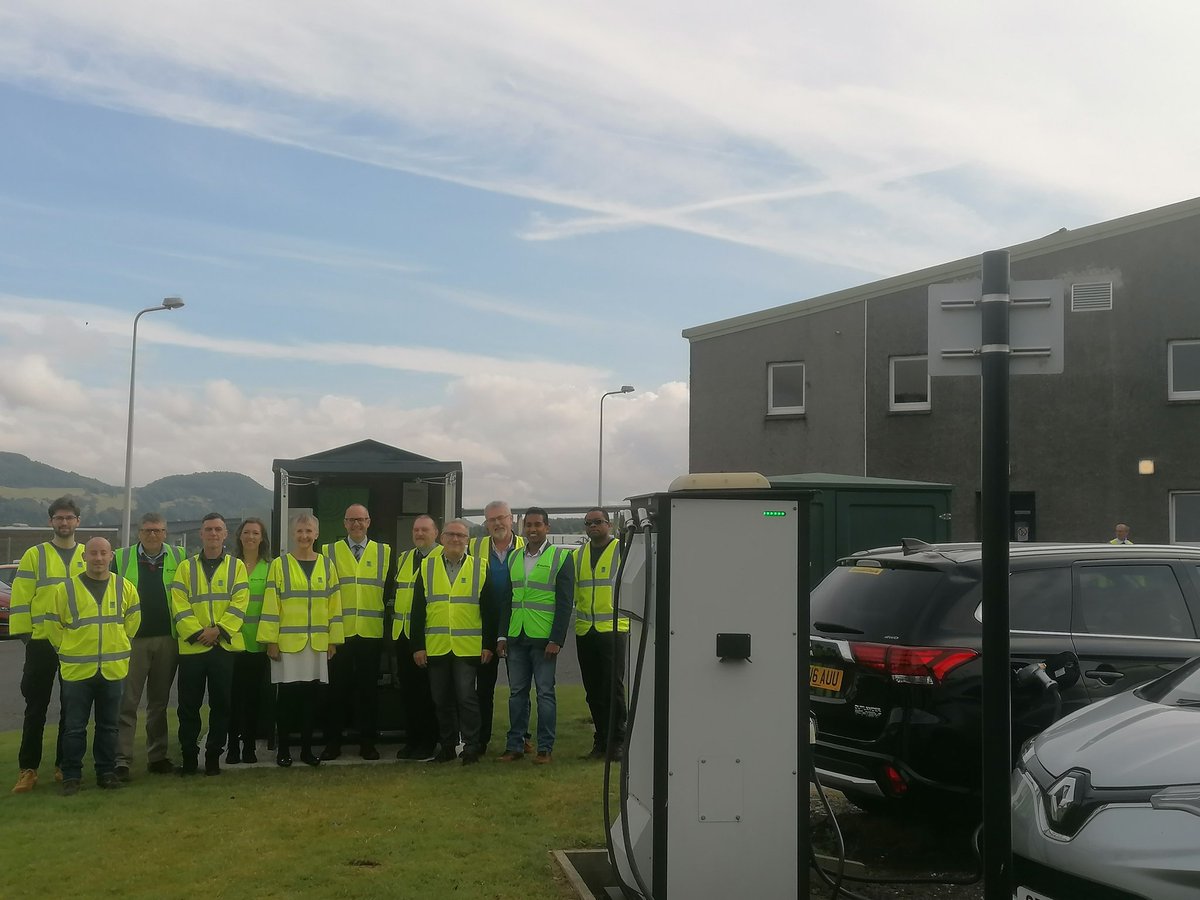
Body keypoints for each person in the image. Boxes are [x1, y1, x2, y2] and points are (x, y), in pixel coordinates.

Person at [45, 537, 141, 795]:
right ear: (84, 557)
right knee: (74, 727)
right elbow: (53, 625)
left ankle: (106, 773)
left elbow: (132, 623)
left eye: (103, 553)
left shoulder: (125, 587)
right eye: (93, 553)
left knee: (109, 726)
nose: (98, 558)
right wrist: (65, 650)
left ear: (111, 557)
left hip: (113, 670)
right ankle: (71, 776)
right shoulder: (65, 590)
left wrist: (117, 644)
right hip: (77, 671)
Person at [10, 496, 86, 794]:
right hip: (41, 644)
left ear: (78, 521)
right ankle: (28, 769)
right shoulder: (34, 555)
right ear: (51, 521)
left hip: (75, 643)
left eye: (69, 518)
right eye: (59, 518)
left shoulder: (87, 554)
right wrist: (27, 636)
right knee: (36, 708)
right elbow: (20, 598)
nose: (64, 523)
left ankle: (63, 766)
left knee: (72, 708)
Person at [411, 518, 499, 765]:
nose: (456, 540)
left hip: (467, 647)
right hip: (436, 645)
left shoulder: (480, 567)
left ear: (467, 540)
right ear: (442, 539)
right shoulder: (427, 567)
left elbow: (489, 611)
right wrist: (417, 645)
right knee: (441, 700)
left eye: (461, 536)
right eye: (451, 535)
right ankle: (448, 746)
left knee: (466, 698)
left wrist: (487, 644)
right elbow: (417, 610)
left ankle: (471, 746)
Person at [258, 514, 343, 767]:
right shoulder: (279, 565)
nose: (304, 536)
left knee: (310, 700)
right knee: (286, 699)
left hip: (317, 644)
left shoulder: (327, 565)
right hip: (287, 645)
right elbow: (271, 605)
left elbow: (334, 606)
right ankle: (283, 750)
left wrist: (333, 641)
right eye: (299, 532)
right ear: (292, 535)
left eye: (308, 531)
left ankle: (306, 751)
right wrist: (270, 641)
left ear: (316, 534)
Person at [170, 512, 250, 776]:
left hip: (223, 648)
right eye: (208, 529)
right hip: (193, 648)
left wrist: (219, 630)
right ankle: (190, 758)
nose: (213, 534)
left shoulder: (236, 567)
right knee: (188, 706)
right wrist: (197, 633)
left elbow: (240, 602)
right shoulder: (185, 567)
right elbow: (179, 604)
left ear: (226, 534)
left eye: (218, 529)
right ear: (201, 534)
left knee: (222, 705)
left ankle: (214, 756)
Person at [496, 508, 574, 764]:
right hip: (516, 636)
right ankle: (515, 745)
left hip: (544, 640)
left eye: (537, 524)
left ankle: (545, 749)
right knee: (517, 693)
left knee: (545, 694)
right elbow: (508, 599)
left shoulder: (560, 558)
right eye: (528, 524)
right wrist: (502, 636)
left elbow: (564, 604)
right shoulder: (514, 557)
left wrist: (557, 639)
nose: (532, 529)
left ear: (547, 528)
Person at [113, 513, 187, 780]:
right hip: (132, 640)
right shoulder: (120, 558)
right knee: (128, 702)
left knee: (159, 702)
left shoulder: (180, 557)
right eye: (147, 530)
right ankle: (121, 760)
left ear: (166, 532)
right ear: (138, 533)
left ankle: (157, 757)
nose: (152, 535)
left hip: (168, 639)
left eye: (157, 530)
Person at [321, 503, 393, 761]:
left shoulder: (384, 552)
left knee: (368, 692)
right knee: (336, 690)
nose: (357, 525)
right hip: (339, 633)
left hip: (370, 634)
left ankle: (367, 743)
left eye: (361, 520)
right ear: (344, 523)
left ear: (369, 521)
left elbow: (390, 592)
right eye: (352, 520)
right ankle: (333, 743)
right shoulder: (329, 551)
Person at [469, 500, 525, 755]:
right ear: (486, 523)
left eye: (502, 518)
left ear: (511, 519)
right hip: (486, 625)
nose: (498, 523)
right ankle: (481, 740)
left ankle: (522, 738)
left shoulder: (526, 547)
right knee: (484, 687)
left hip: (519, 624)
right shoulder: (475, 546)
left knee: (519, 688)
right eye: (492, 520)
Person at [574, 508, 630, 761]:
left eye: (598, 522)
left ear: (608, 524)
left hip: (613, 629)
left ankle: (618, 740)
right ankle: (601, 739)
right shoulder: (578, 555)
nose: (592, 526)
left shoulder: (623, 550)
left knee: (613, 688)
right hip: (586, 629)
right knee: (593, 690)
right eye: (588, 523)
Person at [391, 514, 442, 761]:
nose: (419, 534)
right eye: (416, 530)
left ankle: (428, 741)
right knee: (408, 692)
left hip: (427, 636)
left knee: (427, 694)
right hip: (403, 634)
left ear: (436, 533)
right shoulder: (404, 558)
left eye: (424, 530)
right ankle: (412, 740)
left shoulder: (441, 558)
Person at [227, 517, 273, 765]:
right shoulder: (230, 566)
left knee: (253, 698)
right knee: (233, 698)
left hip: (258, 642)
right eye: (247, 532)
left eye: (256, 533)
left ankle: (249, 748)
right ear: (240, 536)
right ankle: (232, 746)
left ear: (262, 538)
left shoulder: (271, 566)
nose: (251, 537)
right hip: (232, 642)